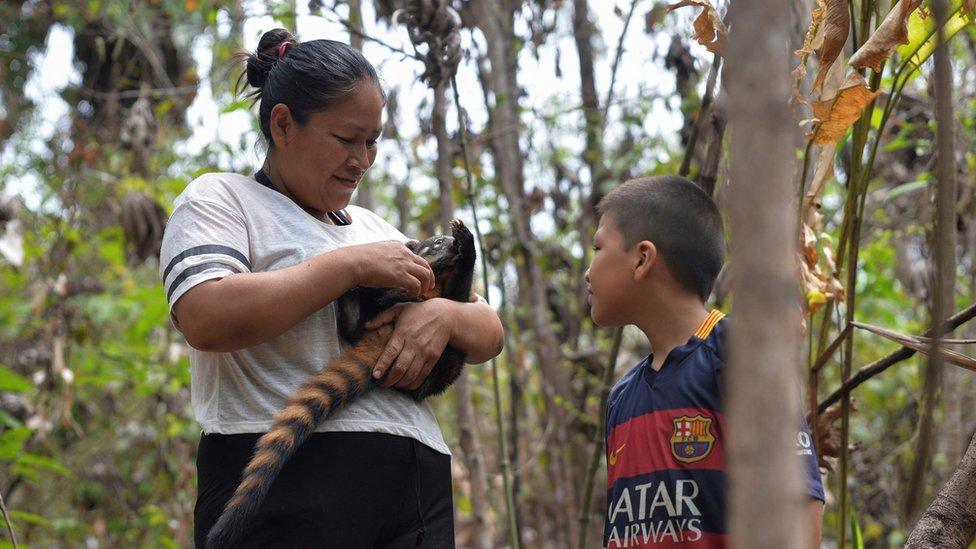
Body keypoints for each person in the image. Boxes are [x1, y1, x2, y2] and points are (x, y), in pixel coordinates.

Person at [159, 28, 503, 548]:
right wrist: (348, 267)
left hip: (413, 486)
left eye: (372, 142)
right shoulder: (222, 199)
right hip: (283, 480)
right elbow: (205, 316)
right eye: (346, 139)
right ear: (282, 125)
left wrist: (446, 318)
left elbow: (489, 331)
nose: (362, 160)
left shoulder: (376, 230)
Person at [585, 176, 824, 548]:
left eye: (597, 248)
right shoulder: (621, 398)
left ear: (642, 258)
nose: (588, 271)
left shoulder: (738, 353)